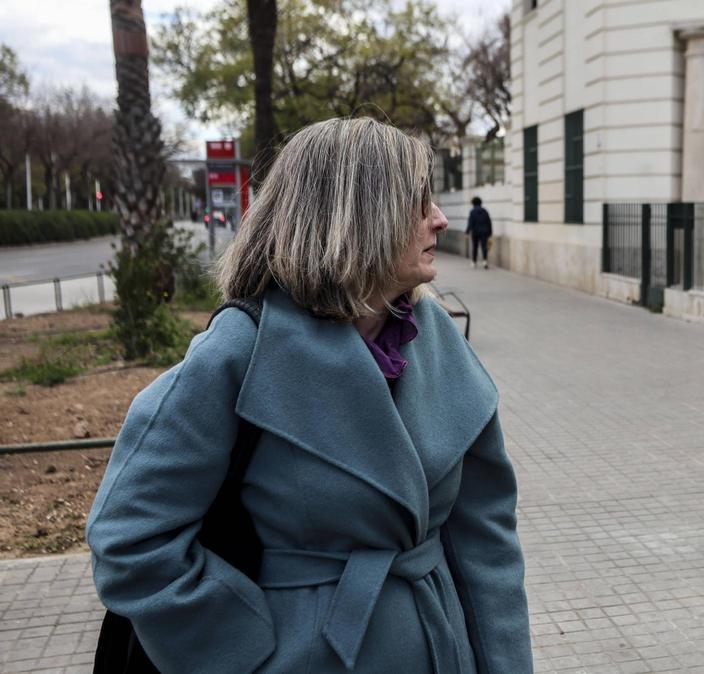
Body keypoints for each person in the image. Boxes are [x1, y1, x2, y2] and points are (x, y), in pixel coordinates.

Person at [87, 117, 533, 673]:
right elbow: (130, 539)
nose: (440, 220)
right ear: (357, 215)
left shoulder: (437, 338)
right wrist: (246, 653)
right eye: (419, 203)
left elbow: (486, 539)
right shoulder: (241, 350)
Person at [466, 196, 492, 269]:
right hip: (484, 232)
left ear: (473, 203)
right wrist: (490, 232)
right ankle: (485, 261)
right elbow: (489, 222)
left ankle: (474, 262)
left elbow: (470, 223)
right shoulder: (485, 211)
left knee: (475, 246)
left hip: (475, 232)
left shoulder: (472, 211)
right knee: (484, 246)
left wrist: (467, 232)